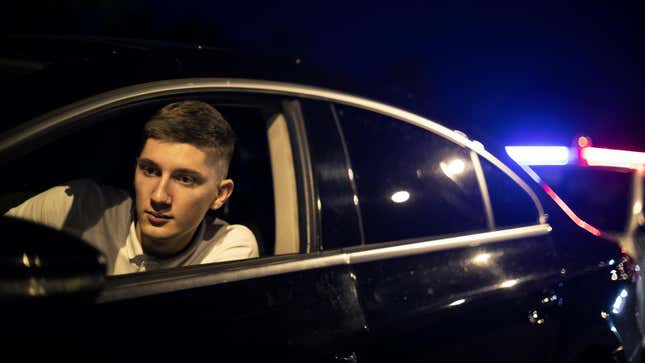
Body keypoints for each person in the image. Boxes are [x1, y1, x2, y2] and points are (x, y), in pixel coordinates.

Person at [5, 100, 259, 275]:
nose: (159, 196)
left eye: (185, 179)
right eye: (150, 170)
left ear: (220, 194)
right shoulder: (79, 207)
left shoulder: (228, 247)